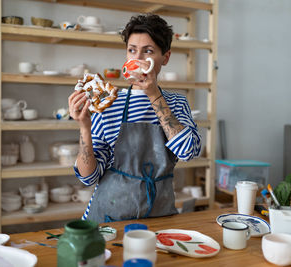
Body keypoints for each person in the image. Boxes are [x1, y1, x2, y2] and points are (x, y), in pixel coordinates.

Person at [68, 13, 201, 223]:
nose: (137, 59)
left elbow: (187, 152)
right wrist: (84, 128)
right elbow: (87, 177)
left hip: (159, 216)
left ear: (165, 58)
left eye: (147, 51)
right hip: (109, 219)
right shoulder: (108, 104)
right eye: (132, 50)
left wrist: (153, 94)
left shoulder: (176, 103)